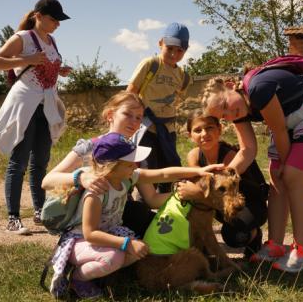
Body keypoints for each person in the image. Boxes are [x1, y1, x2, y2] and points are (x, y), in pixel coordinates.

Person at [43, 133, 223, 298]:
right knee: (114, 258)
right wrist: (127, 243)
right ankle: (77, 278)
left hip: (108, 234)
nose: (135, 166)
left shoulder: (126, 177)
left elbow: (162, 174)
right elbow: (90, 233)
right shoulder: (97, 193)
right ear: (112, 166)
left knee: (140, 251)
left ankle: (102, 276)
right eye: (130, 163)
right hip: (82, 240)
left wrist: (199, 171)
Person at [202, 69, 303, 273]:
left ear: (231, 86)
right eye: (223, 116)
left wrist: (286, 164)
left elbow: (278, 130)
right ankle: (275, 245)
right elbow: (247, 150)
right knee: (276, 177)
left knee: (292, 176)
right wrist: (223, 177)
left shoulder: (258, 89)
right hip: (289, 123)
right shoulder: (239, 110)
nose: (228, 115)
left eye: (225, 106)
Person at [0, 0, 73, 235]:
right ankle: (13, 218)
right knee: (19, 161)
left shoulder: (52, 41)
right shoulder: (23, 38)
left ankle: (39, 211)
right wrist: (28, 59)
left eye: (59, 20)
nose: (58, 23)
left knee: (41, 163)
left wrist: (60, 70)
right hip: (25, 104)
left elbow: (45, 66)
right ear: (38, 16)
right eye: (53, 18)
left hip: (46, 106)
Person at [41, 91, 168, 238]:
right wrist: (81, 178)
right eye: (127, 114)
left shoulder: (137, 155)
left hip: (118, 216)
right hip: (83, 222)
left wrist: (186, 195)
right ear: (110, 115)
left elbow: (151, 198)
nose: (134, 121)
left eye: (139, 117)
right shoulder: (90, 147)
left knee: (158, 224)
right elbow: (47, 181)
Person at [179, 110, 268, 259]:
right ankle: (200, 245)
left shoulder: (230, 156)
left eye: (209, 128)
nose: (204, 134)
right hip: (222, 203)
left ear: (219, 129)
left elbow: (223, 194)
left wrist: (197, 193)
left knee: (233, 236)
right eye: (197, 130)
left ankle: (254, 235)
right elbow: (198, 183)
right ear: (190, 135)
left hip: (248, 204)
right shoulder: (193, 155)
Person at [126, 22, 193, 193]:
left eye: (179, 50)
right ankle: (144, 208)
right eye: (169, 48)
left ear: (186, 50)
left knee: (170, 171)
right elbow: (130, 93)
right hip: (146, 129)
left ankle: (166, 211)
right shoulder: (151, 64)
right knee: (147, 172)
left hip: (168, 131)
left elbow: (175, 100)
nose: (173, 53)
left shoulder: (184, 77)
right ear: (160, 43)